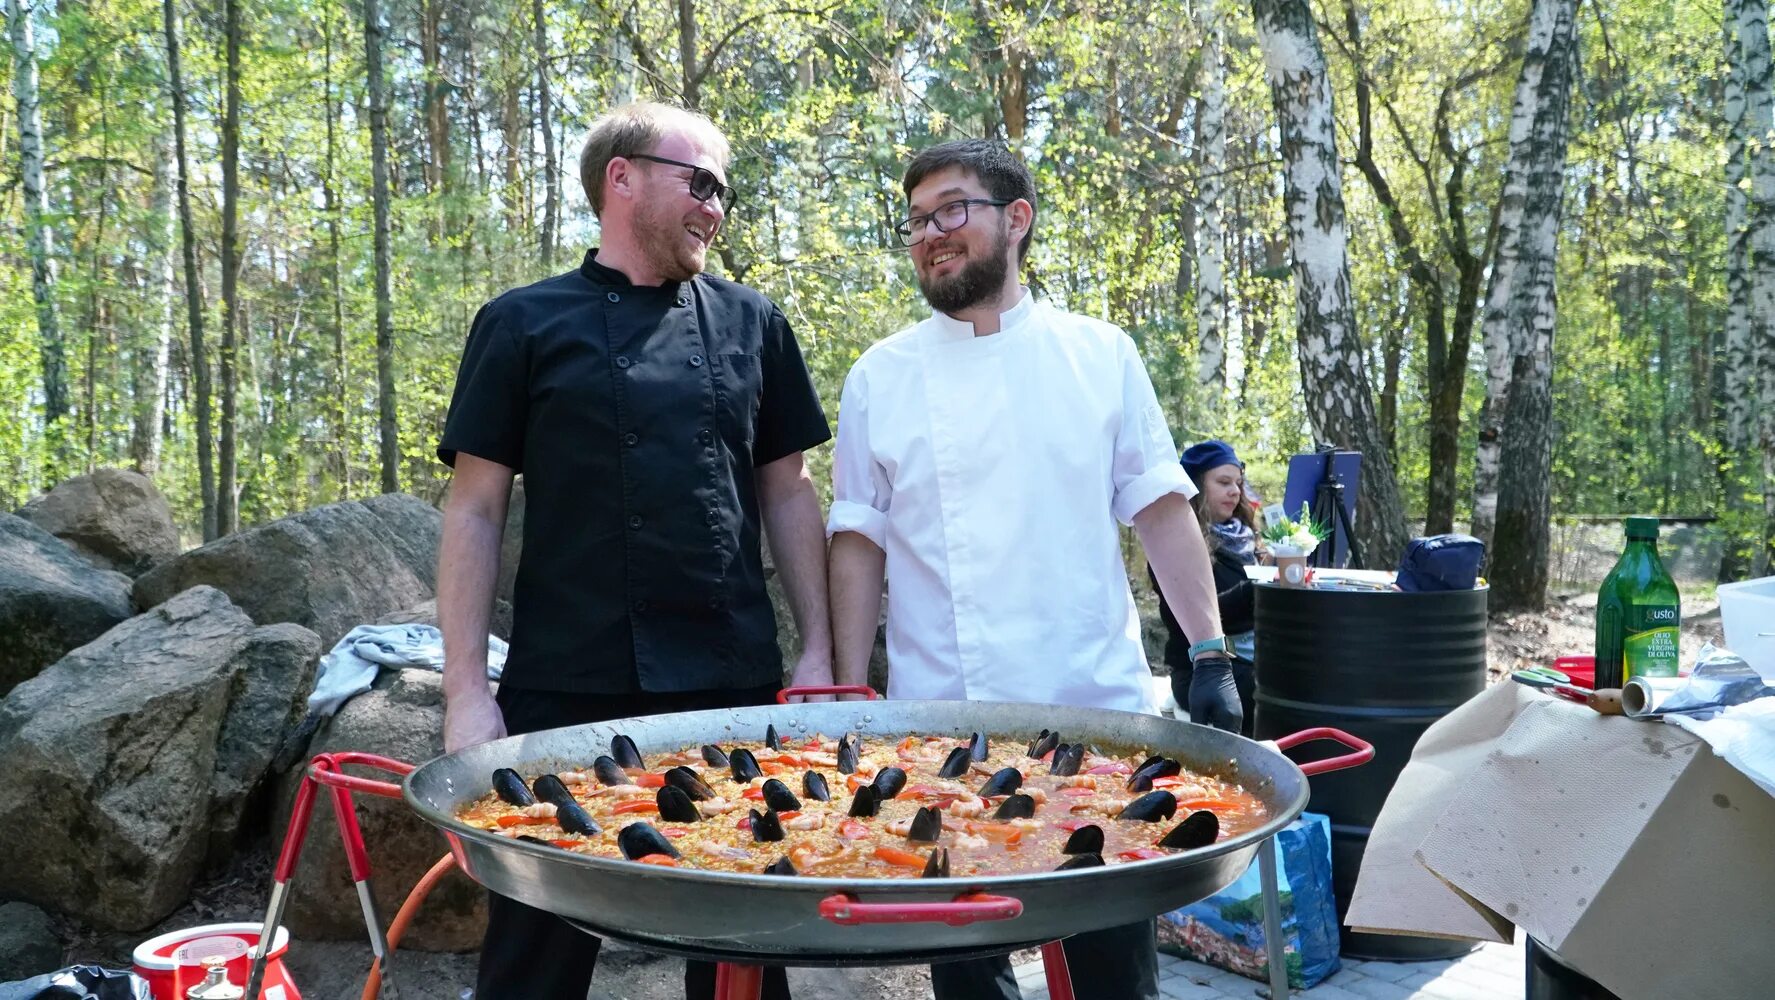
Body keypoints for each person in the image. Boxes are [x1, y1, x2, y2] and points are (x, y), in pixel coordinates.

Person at [435, 101, 833, 1000]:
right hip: (564, 684)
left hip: (726, 683)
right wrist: (467, 692)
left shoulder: (752, 322)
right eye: (700, 183)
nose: (715, 208)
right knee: (532, 955)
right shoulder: (519, 323)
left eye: (723, 191)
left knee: (741, 946)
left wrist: (816, 652)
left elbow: (788, 492)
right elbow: (473, 512)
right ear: (623, 178)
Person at [825, 139, 1234, 1000]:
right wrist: (842, 683)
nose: (929, 234)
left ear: (1016, 219)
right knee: (969, 977)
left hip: (1091, 713)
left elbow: (1160, 507)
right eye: (915, 221)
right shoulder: (879, 376)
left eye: (950, 211)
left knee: (1111, 975)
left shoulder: (1100, 353)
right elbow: (858, 539)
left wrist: (1211, 654)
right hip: (942, 724)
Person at [1155, 440, 1266, 736]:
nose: (1235, 491)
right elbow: (1188, 617)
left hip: (1255, 657)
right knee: (1268, 691)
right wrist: (1259, 587)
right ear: (1198, 486)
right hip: (1201, 672)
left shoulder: (1248, 539)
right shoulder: (1173, 545)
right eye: (1224, 482)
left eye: (1239, 483)